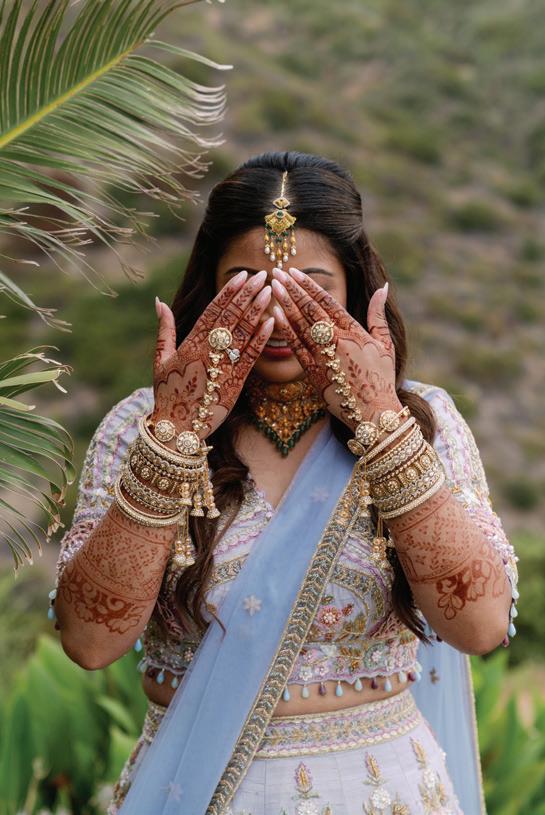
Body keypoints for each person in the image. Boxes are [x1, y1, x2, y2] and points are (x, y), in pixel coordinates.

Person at [51, 151, 519, 815]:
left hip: (378, 792)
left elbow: (480, 625)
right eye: (247, 286)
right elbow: (89, 640)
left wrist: (381, 427)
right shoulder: (140, 427)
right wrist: (174, 438)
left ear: (356, 291)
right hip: (193, 790)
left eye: (309, 290)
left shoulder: (422, 421)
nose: (277, 313)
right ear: (209, 291)